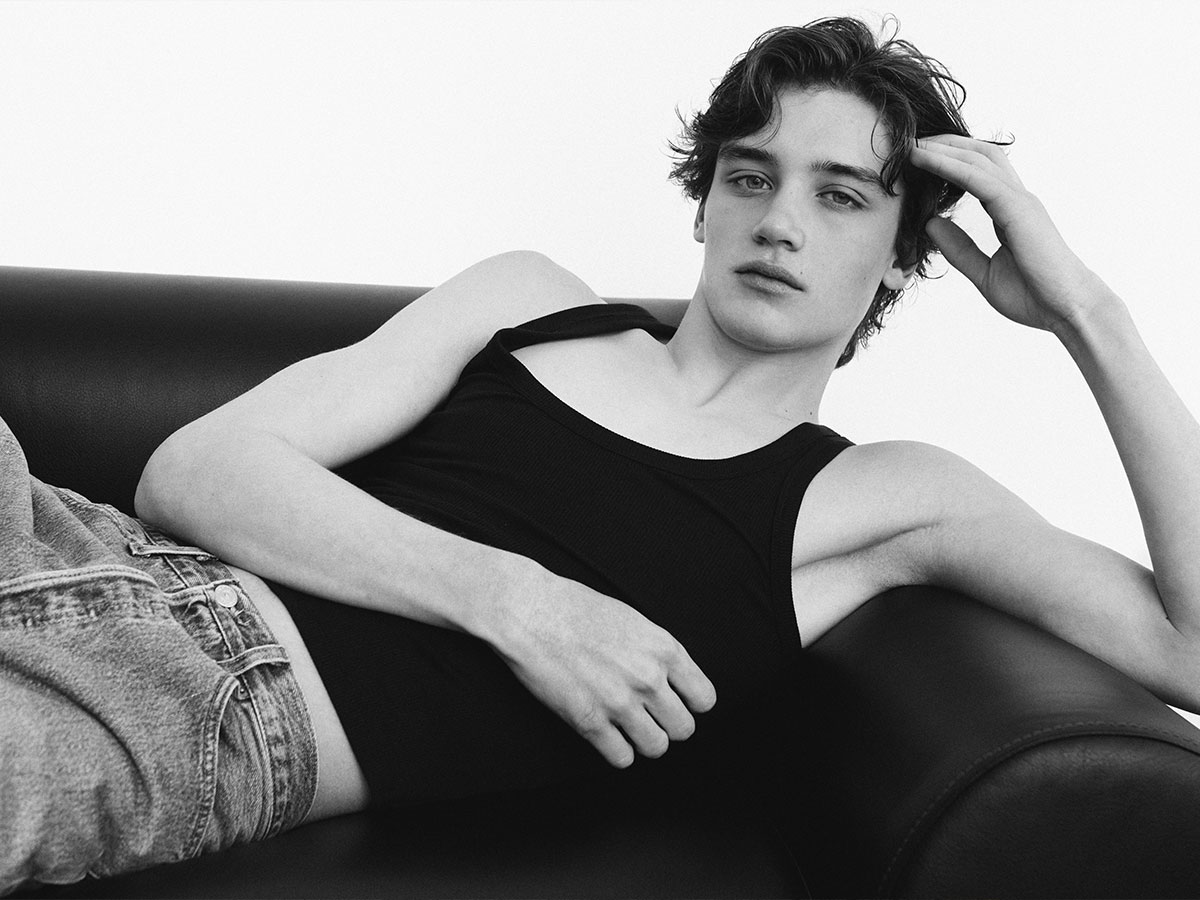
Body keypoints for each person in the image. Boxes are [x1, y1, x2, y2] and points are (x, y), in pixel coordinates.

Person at [5, 13, 1200, 893]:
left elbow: (1188, 650)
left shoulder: (887, 498)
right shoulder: (528, 301)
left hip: (201, 708)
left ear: (903, 254)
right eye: (751, 177)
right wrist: (520, 604)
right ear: (705, 203)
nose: (779, 221)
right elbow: (193, 473)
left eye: (841, 196)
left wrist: (1087, 314)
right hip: (72, 538)